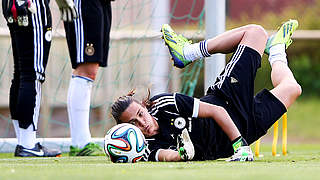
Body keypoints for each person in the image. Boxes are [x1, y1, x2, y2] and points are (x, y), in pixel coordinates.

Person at [110, 19, 301, 162]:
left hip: (227, 101)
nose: (143, 123)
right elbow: (167, 156)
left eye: (141, 114)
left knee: (256, 33)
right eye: (134, 123)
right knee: (292, 89)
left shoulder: (164, 104)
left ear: (145, 106)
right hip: (246, 130)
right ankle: (277, 50)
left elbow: (216, 111)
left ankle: (188, 53)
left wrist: (240, 146)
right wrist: (182, 154)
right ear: (127, 128)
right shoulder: (143, 147)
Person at [2, 0, 61, 157]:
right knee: (33, 73)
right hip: (31, 5)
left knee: (21, 73)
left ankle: (23, 141)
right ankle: (28, 143)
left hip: (11, 4)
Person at [55, 0, 114, 156]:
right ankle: (80, 142)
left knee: (91, 68)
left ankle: (82, 140)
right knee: (86, 67)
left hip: (102, 3)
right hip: (84, 3)